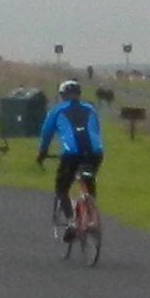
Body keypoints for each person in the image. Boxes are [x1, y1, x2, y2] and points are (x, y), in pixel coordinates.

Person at [44, 78, 107, 230]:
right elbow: (96, 130)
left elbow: (46, 134)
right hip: (95, 152)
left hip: (71, 154)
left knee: (61, 188)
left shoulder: (57, 110)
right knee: (88, 179)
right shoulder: (90, 109)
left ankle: (71, 220)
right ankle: (91, 214)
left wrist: (41, 154)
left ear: (62, 95)